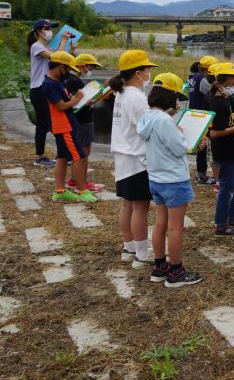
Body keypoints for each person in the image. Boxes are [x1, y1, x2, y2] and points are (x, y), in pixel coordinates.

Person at [137, 73, 204, 287]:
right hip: (174, 179)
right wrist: (182, 134)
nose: (178, 101)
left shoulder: (148, 117)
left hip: (156, 177)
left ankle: (160, 267)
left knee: (160, 223)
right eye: (177, 96)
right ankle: (176, 272)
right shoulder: (165, 121)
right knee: (176, 227)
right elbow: (179, 149)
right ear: (170, 95)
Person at [109, 49, 158, 268]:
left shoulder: (121, 93)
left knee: (127, 204)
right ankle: (141, 254)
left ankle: (129, 247)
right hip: (137, 158)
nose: (149, 73)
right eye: (147, 69)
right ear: (138, 73)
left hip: (122, 155)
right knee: (140, 207)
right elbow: (145, 129)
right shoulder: (137, 97)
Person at [42, 52, 95, 203]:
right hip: (63, 126)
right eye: (67, 69)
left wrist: (77, 100)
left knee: (63, 157)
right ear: (60, 67)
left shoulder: (57, 81)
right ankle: (82, 191)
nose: (69, 73)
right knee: (79, 157)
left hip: (67, 124)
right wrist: (77, 99)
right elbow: (61, 106)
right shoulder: (50, 85)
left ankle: (59, 191)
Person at [28, 19, 71, 167]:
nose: (49, 31)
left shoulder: (46, 47)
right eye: (47, 28)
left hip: (42, 88)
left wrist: (68, 49)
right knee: (51, 122)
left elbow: (59, 60)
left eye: (50, 28)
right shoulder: (36, 46)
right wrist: (64, 40)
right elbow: (56, 57)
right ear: (39, 31)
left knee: (43, 123)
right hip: (40, 89)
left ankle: (41, 156)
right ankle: (63, 155)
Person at [208, 63, 234, 236]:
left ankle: (232, 217)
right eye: (233, 77)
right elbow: (214, 133)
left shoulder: (226, 99)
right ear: (226, 79)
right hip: (225, 151)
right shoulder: (218, 102)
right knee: (226, 189)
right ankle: (221, 224)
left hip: (232, 150)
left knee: (233, 186)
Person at [65, 53, 105, 192]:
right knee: (83, 153)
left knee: (79, 151)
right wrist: (88, 102)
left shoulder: (70, 79)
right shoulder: (74, 81)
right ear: (81, 66)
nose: (91, 70)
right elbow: (77, 103)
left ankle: (74, 180)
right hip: (82, 120)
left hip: (78, 120)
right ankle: (81, 183)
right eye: (90, 66)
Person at [190, 55, 217, 186]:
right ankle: (202, 176)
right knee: (203, 146)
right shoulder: (202, 79)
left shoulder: (194, 77)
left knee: (201, 145)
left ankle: (201, 174)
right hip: (202, 115)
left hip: (194, 114)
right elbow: (210, 94)